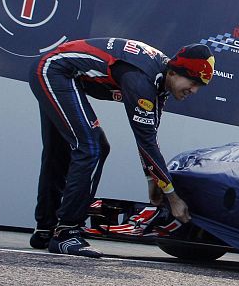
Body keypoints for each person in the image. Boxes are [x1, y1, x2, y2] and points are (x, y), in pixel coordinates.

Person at [28, 38, 214, 257]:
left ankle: (45, 229)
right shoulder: (142, 80)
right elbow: (146, 143)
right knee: (93, 147)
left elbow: (149, 138)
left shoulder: (160, 83)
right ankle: (66, 232)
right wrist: (172, 197)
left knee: (59, 153)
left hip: (63, 75)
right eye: (192, 82)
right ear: (173, 72)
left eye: (199, 86)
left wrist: (152, 181)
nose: (194, 90)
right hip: (54, 71)